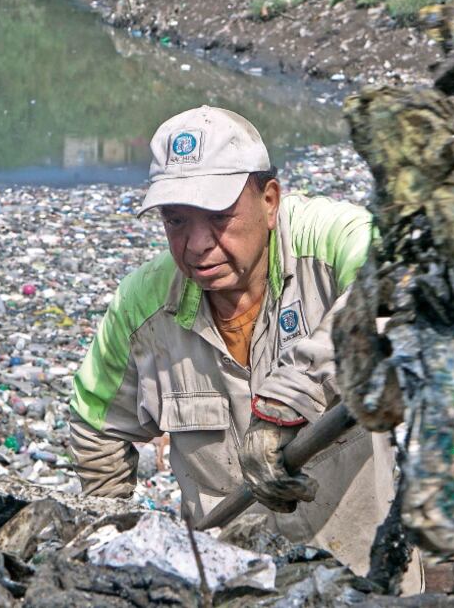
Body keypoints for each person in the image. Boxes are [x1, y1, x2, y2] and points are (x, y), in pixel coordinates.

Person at [68, 105, 422, 591]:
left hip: (363, 579)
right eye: (176, 220)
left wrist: (287, 403)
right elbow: (95, 424)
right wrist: (117, 540)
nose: (196, 244)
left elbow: (397, 277)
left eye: (218, 217)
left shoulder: (326, 241)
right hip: (233, 586)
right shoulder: (142, 308)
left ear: (270, 200)